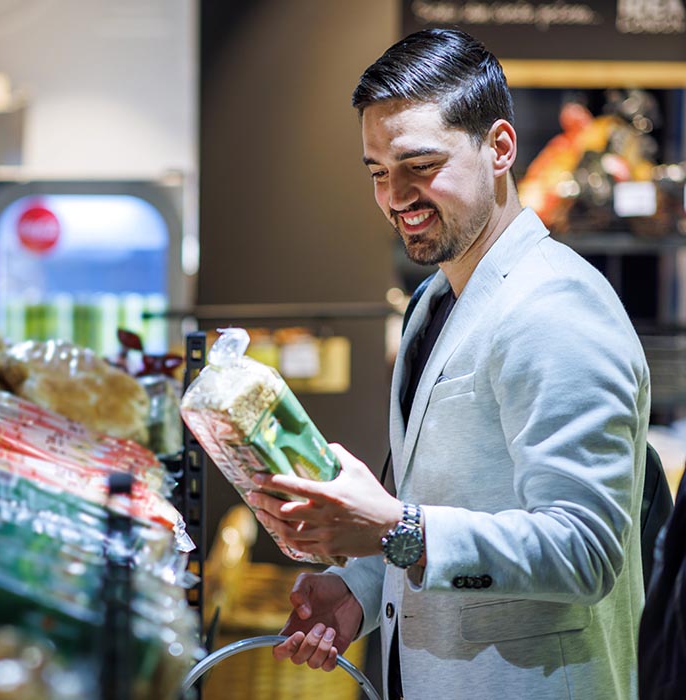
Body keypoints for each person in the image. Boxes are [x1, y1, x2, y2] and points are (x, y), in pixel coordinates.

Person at [245, 28, 650, 699]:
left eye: (420, 165)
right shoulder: (434, 300)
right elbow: (435, 505)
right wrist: (360, 589)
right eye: (377, 171)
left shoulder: (555, 306)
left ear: (499, 148)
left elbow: (585, 550)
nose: (395, 196)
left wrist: (393, 530)